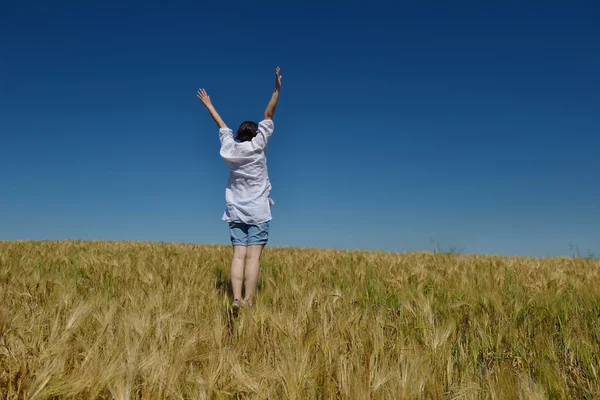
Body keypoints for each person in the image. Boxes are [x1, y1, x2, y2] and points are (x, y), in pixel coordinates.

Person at [197, 67, 282, 310]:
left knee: (238, 256)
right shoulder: (258, 146)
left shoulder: (230, 150)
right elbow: (268, 113)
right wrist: (277, 89)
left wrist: (209, 105)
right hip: (258, 211)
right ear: (256, 135)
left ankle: (235, 298)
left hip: (235, 211)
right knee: (253, 258)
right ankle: (249, 301)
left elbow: (221, 126)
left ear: (238, 135)